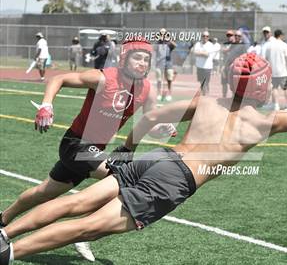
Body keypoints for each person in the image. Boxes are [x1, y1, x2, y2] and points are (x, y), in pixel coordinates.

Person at [0, 54, 287, 264]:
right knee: (86, 227)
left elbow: (156, 116)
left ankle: (4, 234)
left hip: (156, 156)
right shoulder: (261, 122)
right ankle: (9, 254)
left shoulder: (208, 100)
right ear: (264, 85)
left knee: (73, 202)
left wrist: (127, 150)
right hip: (177, 179)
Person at [0, 38, 175, 261]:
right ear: (124, 59)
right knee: (120, 178)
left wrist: (162, 127)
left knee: (43, 193)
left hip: (95, 150)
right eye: (137, 57)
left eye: (146, 59)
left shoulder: (147, 89)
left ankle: (3, 219)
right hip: (75, 145)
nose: (143, 63)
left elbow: (150, 122)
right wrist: (46, 104)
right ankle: (84, 230)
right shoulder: (104, 77)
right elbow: (59, 78)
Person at [265, 29, 287, 110]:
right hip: (283, 72)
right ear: (280, 35)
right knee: (286, 88)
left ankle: (276, 105)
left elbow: (266, 58)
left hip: (273, 71)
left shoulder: (269, 45)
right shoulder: (284, 45)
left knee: (275, 88)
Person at [220, 30, 248, 97]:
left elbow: (245, 58)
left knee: (234, 85)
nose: (237, 37)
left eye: (239, 36)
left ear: (241, 37)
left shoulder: (243, 45)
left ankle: (234, 100)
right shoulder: (233, 45)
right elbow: (229, 56)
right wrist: (223, 66)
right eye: (235, 35)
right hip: (227, 67)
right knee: (224, 83)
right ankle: (224, 99)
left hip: (235, 68)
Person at [155, 28, 177, 101]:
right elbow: (155, 49)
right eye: (161, 33)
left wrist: (168, 40)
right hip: (159, 63)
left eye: (164, 33)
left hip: (168, 63)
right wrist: (160, 39)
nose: (163, 35)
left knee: (169, 79)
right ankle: (158, 94)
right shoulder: (158, 42)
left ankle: (169, 94)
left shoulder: (169, 43)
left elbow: (175, 45)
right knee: (159, 79)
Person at [192, 31, 214, 95]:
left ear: (208, 37)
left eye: (207, 36)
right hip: (199, 66)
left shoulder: (210, 45)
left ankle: (206, 95)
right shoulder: (198, 44)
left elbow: (207, 55)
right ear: (201, 37)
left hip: (207, 67)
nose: (205, 37)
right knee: (201, 82)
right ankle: (204, 94)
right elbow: (195, 53)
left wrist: (199, 52)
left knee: (206, 82)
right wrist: (202, 53)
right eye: (203, 36)